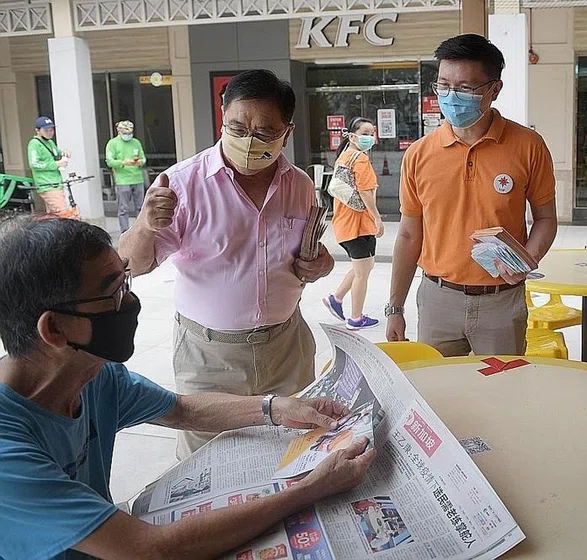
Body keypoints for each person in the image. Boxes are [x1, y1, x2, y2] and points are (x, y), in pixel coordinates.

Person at [0, 216, 374, 560]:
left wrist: (278, 408)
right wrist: (309, 489)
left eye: (126, 281)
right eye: (113, 293)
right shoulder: (8, 452)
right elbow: (151, 549)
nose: (130, 303)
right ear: (54, 329)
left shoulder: (94, 375)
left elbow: (182, 410)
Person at [118, 69, 335, 458]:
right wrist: (145, 226)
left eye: (265, 132)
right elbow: (131, 265)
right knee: (208, 462)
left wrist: (317, 265)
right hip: (209, 356)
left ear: (288, 131)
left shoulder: (299, 185)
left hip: (287, 348)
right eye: (236, 127)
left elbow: (305, 258)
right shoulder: (181, 183)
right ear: (222, 118)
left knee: (294, 453)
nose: (248, 141)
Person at [385, 34, 558, 356]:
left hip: (502, 301)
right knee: (440, 396)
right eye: (443, 85)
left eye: (465, 88)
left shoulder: (528, 146)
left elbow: (546, 218)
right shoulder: (419, 154)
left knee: (500, 394)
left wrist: (527, 259)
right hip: (438, 299)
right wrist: (395, 307)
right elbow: (409, 235)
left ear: (494, 89)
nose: (451, 96)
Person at [324, 117, 385, 330]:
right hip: (357, 226)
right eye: (365, 133)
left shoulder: (344, 157)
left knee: (365, 266)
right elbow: (365, 192)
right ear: (352, 136)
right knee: (362, 272)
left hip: (345, 225)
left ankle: (336, 299)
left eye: (372, 133)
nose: (370, 137)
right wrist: (377, 218)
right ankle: (356, 318)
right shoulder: (359, 159)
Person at [105, 120, 147, 233]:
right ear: (119, 132)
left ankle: (141, 230)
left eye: (130, 133)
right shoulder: (113, 143)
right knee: (123, 208)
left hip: (137, 178)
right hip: (122, 180)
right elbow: (109, 161)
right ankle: (125, 231)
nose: (128, 135)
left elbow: (143, 158)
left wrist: (140, 162)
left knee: (140, 207)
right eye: (125, 133)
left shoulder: (136, 142)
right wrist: (123, 162)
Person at [27, 116, 70, 214]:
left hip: (56, 183)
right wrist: (56, 164)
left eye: (51, 129)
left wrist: (64, 152)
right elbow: (34, 164)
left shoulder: (50, 142)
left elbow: (57, 154)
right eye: (46, 130)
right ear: (37, 130)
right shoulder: (34, 144)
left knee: (53, 215)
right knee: (63, 213)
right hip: (47, 184)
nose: (50, 132)